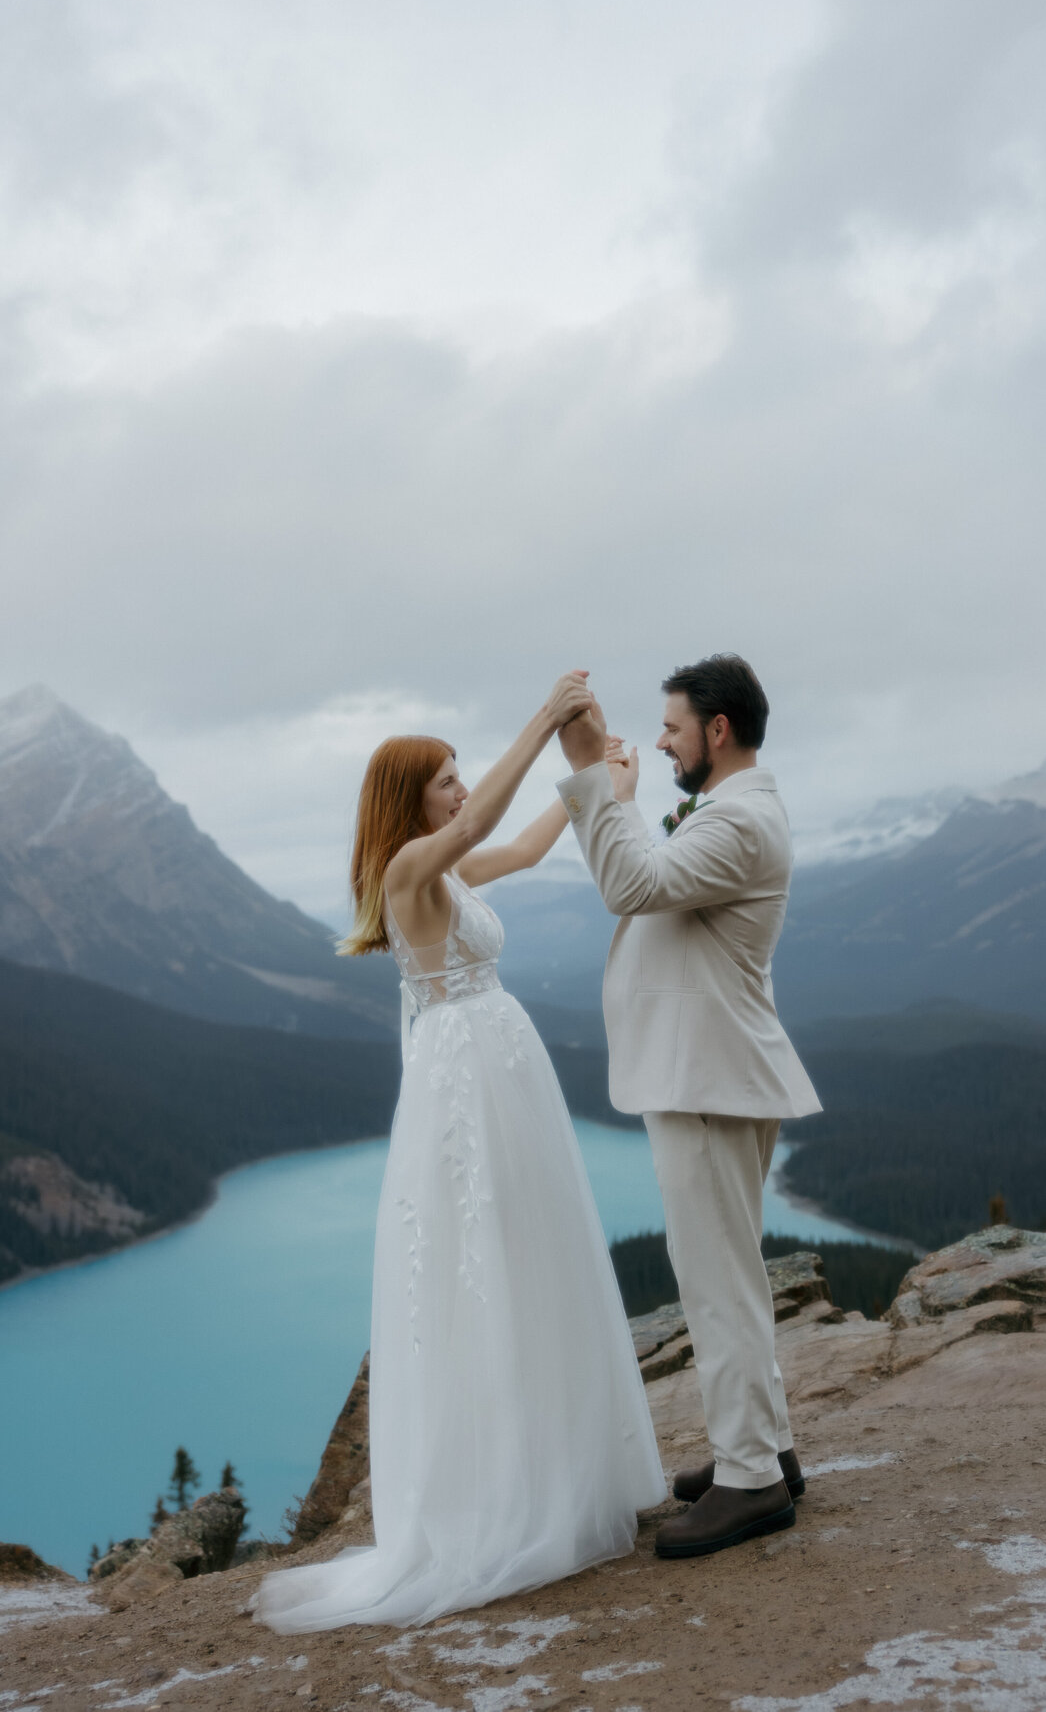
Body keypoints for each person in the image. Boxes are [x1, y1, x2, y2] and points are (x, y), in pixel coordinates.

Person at [253, 671, 665, 1632]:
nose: (458, 786)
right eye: (443, 777)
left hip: (499, 1067)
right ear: (410, 798)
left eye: (456, 773)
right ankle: (500, 1500)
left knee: (531, 1248)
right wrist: (546, 719)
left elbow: (516, 845)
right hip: (467, 1080)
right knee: (482, 1258)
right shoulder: (405, 871)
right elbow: (483, 828)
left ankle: (552, 1475)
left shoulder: (439, 872)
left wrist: (600, 786)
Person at [556, 653, 822, 1560]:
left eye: (671, 726)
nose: (660, 740)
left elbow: (632, 886)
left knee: (714, 1277)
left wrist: (601, 780)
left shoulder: (740, 819)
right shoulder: (733, 812)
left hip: (705, 1078)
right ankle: (766, 1447)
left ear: (717, 729)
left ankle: (750, 1479)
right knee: (729, 1266)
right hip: (710, 1072)